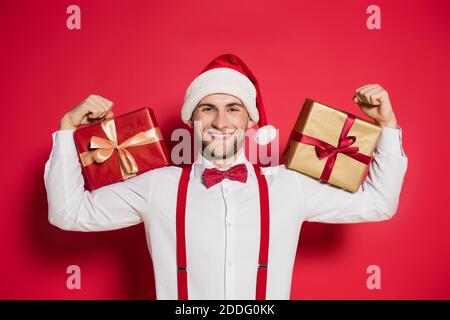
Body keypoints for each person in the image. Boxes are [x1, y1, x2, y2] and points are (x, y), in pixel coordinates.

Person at [44, 54, 407, 300]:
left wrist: (387, 127)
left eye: (233, 109)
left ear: (250, 121)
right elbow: (69, 212)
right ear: (190, 120)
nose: (220, 122)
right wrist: (66, 131)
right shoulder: (158, 186)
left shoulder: (288, 186)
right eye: (208, 109)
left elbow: (378, 203)